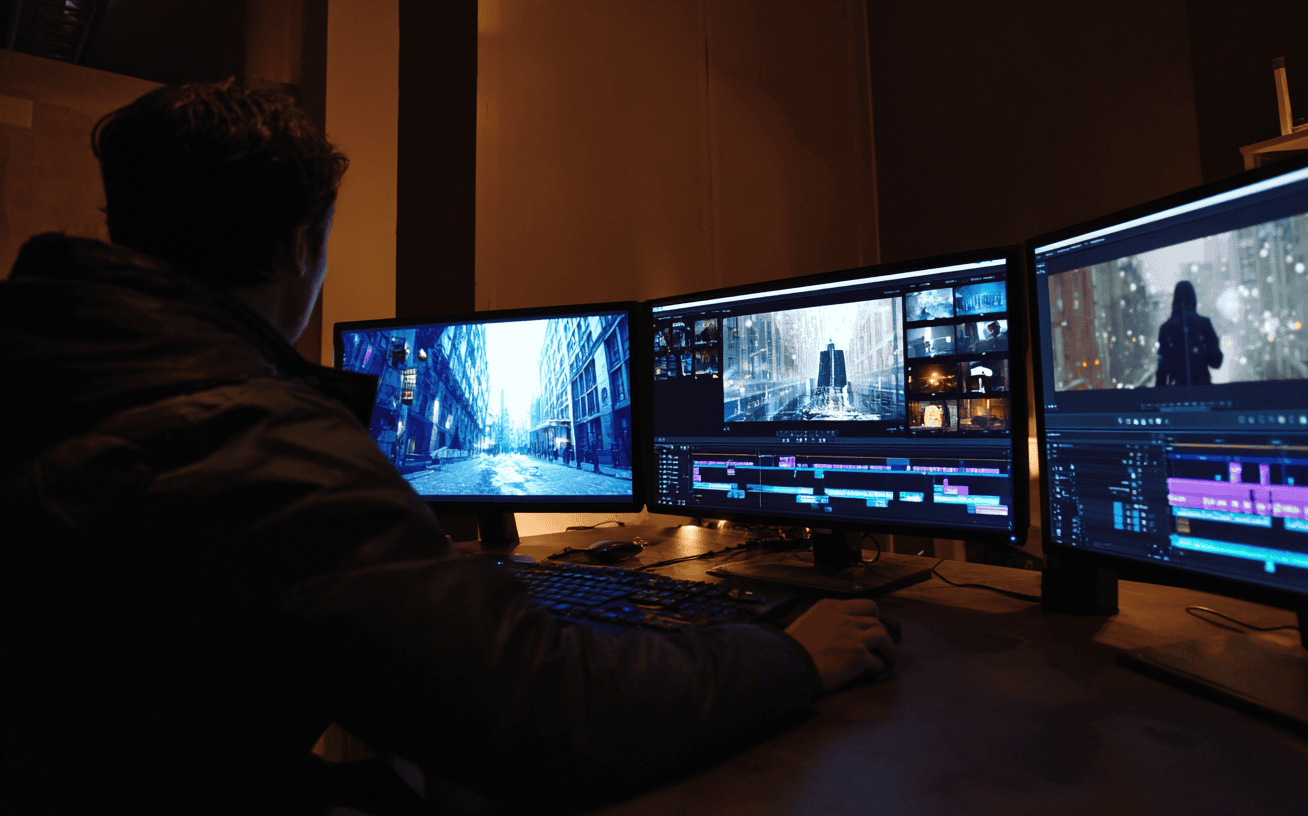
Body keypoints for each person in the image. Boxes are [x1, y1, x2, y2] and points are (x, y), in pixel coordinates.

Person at [0, 79, 895, 815]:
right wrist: (790, 656)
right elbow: (537, 711)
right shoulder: (247, 436)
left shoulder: (63, 365)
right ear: (304, 246)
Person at [1156, 280, 1223, 386]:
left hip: (1176, 393)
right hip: (1203, 390)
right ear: (1193, 299)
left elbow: (1162, 371)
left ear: (1174, 300)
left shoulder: (1166, 328)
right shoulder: (1203, 324)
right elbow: (1216, 362)